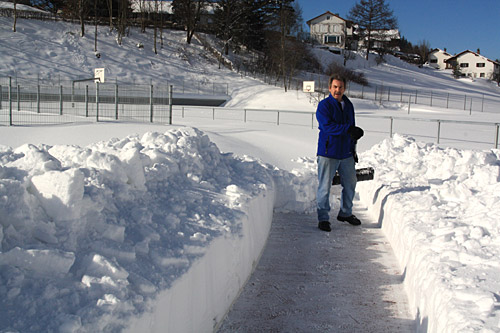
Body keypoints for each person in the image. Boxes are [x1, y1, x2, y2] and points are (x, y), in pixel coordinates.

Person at [316, 74, 364, 232]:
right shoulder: (324, 105)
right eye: (335, 87)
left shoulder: (348, 105)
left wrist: (353, 142)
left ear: (344, 88)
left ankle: (345, 213)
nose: (338, 90)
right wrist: (348, 129)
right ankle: (323, 218)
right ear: (329, 88)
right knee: (324, 187)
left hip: (346, 153)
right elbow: (327, 126)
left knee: (350, 184)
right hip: (328, 153)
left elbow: (351, 127)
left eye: (341, 87)